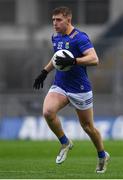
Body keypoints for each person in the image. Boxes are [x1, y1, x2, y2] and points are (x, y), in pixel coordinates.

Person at [33, 6, 110, 173]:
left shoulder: (80, 38)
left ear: (68, 19)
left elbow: (94, 59)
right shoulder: (55, 37)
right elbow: (57, 58)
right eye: (53, 20)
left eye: (59, 20)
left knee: (88, 127)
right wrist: (44, 72)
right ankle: (65, 142)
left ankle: (102, 155)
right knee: (48, 112)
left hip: (80, 88)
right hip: (61, 84)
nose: (55, 23)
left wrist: (74, 61)